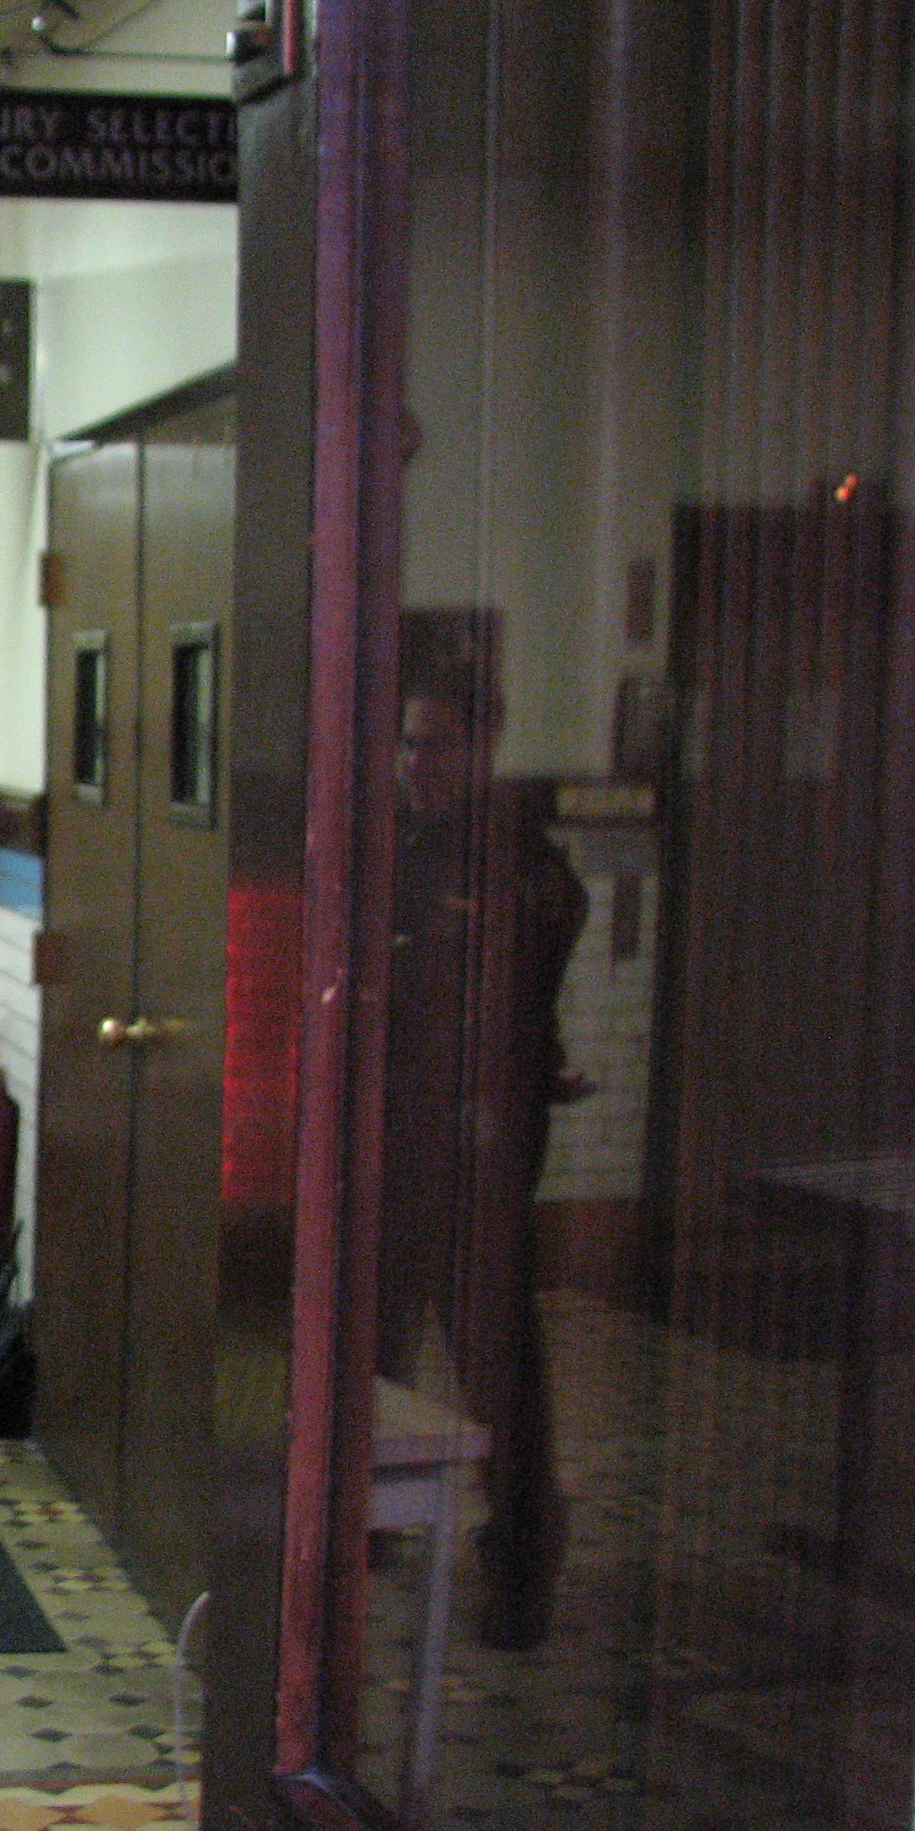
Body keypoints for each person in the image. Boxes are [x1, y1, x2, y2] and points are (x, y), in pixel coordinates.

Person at [377, 618, 589, 1649]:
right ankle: (358, 1529)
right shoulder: (390, 843)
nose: (417, 763)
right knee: (365, 1346)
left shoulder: (518, 867)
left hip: (476, 1156)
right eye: (406, 743)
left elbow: (517, 997)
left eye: (436, 744)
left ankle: (519, 1564)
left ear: (481, 747)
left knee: (497, 1367)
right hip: (386, 1144)